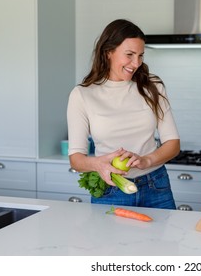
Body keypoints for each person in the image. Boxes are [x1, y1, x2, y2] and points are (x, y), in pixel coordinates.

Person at [67, 19, 180, 209]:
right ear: (108, 52)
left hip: (156, 185)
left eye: (140, 55)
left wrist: (147, 160)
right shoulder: (82, 94)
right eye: (129, 55)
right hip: (111, 188)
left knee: (167, 239)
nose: (136, 63)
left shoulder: (153, 86)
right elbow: (76, 159)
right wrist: (98, 164)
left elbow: (173, 144)